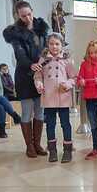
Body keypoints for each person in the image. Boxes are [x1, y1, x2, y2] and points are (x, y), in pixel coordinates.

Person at [3, 1, 48, 158]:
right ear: (18, 15)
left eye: (29, 14)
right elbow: (20, 54)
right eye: (23, 16)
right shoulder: (15, 33)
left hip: (41, 75)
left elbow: (46, 49)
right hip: (24, 76)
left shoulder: (41, 28)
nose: (28, 18)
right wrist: (31, 65)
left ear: (32, 11)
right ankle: (29, 146)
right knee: (27, 112)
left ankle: (37, 144)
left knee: (40, 112)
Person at [34, 32, 77, 163]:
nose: (54, 46)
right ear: (48, 45)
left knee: (65, 124)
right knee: (50, 125)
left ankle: (68, 150)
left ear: (62, 45)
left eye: (57, 44)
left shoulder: (67, 60)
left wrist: (68, 84)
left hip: (63, 97)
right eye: (51, 44)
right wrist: (39, 84)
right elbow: (37, 76)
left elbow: (74, 77)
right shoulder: (43, 60)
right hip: (49, 98)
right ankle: (52, 150)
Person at [0, 71, 21, 138]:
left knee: (1, 107)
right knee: (1, 99)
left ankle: (2, 132)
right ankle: (15, 116)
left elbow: (0, 89)